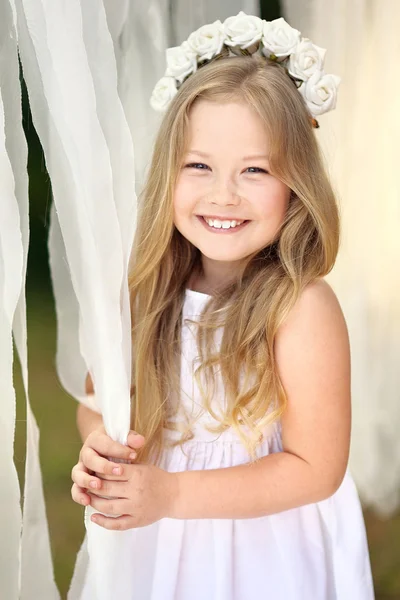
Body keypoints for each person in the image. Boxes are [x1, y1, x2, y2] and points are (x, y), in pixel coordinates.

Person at [70, 13, 374, 599]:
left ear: (296, 184)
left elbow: (317, 468)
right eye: (199, 166)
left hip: (262, 548)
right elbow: (96, 401)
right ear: (168, 174)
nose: (223, 195)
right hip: (157, 538)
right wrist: (101, 447)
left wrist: (174, 495)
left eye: (255, 170)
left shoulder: (300, 307)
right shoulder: (147, 293)